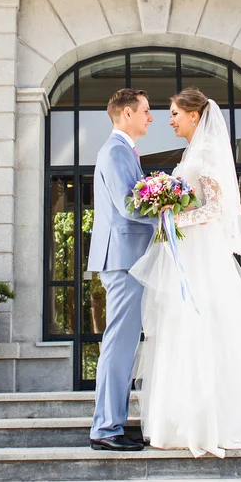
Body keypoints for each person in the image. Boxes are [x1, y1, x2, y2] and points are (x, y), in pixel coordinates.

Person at [129, 88, 241, 458]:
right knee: (177, 330)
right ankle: (176, 421)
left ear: (193, 115)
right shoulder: (191, 153)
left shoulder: (204, 156)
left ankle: (206, 423)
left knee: (200, 330)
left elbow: (216, 209)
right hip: (185, 254)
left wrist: (174, 218)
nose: (169, 120)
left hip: (201, 258)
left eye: (173, 113)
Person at [88, 88, 155, 451]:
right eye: (146, 110)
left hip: (129, 258)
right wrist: (167, 210)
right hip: (123, 259)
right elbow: (129, 205)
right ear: (127, 113)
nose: (151, 117)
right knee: (119, 344)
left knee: (125, 345)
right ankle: (105, 429)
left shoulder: (123, 150)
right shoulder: (115, 151)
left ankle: (113, 421)